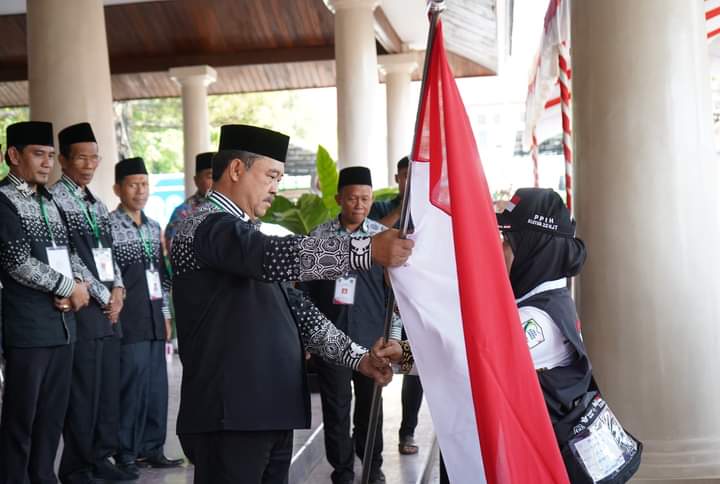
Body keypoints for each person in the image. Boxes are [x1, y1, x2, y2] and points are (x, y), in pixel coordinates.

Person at [170, 124, 413, 484]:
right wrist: (365, 250)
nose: (275, 188)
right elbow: (268, 256)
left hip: (270, 412)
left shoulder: (249, 236)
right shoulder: (203, 227)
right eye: (271, 176)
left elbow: (301, 313)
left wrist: (358, 358)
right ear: (237, 169)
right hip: (230, 415)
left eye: (279, 178)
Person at [378, 188, 642, 483]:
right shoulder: (529, 302)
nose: (495, 247)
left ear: (533, 248)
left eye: (505, 238)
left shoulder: (538, 320)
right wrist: (404, 353)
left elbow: (467, 360)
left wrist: (411, 299)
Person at [0, 121, 91, 483]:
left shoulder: (49, 201)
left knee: (52, 418)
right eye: (39, 154)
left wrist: (84, 289)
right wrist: (70, 287)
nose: (47, 163)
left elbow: (67, 254)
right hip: (27, 330)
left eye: (51, 156)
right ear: (13, 155)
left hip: (62, 328)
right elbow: (17, 261)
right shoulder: (4, 200)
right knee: (21, 419)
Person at [302, 166, 401, 484]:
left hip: (372, 340)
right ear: (338, 199)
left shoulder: (383, 239)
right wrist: (306, 340)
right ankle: (342, 470)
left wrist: (393, 338)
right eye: (352, 198)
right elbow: (304, 292)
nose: (359, 205)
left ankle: (372, 465)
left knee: (372, 409)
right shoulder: (319, 237)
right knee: (336, 408)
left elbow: (395, 296)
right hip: (330, 339)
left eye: (366, 198)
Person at [49, 122, 132, 483]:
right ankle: (76, 466)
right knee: (82, 392)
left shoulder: (97, 204)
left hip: (108, 310)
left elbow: (109, 253)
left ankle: (101, 458)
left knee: (107, 389)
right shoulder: (54, 199)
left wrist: (120, 290)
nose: (88, 164)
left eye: (94, 157)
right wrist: (103, 294)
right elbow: (68, 255)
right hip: (83, 309)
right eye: (81, 157)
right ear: (64, 159)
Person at [110, 157, 183, 473]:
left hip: (155, 319)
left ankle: (152, 448)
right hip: (129, 319)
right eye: (133, 184)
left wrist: (167, 315)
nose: (141, 190)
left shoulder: (154, 227)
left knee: (157, 388)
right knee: (130, 389)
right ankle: (125, 452)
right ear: (118, 188)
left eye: (145, 184)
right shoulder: (110, 226)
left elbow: (163, 277)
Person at [368, 156, 423, 456]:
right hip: (383, 301)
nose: (409, 181)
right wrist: (402, 211)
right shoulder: (380, 207)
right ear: (397, 177)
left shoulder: (429, 212)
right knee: (382, 360)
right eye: (405, 176)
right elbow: (371, 235)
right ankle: (371, 442)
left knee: (416, 364)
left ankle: (408, 431)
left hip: (414, 301)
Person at [164, 151, 213, 251]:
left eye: (218, 176)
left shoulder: (229, 208)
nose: (215, 182)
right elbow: (172, 249)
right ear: (196, 180)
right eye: (210, 176)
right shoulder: (182, 212)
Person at [368, 156, 408, 229]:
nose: (412, 182)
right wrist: (399, 212)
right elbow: (369, 236)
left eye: (417, 177)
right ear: (397, 178)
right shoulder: (379, 207)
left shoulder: (432, 210)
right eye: (407, 176)